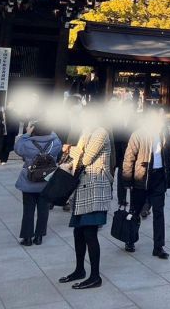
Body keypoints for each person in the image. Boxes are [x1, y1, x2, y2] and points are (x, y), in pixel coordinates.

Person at [58, 108, 113, 289]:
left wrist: (70, 148)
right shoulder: (86, 132)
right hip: (82, 188)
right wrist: (75, 149)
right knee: (78, 232)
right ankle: (79, 269)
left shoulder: (100, 132)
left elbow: (86, 158)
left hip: (95, 188)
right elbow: (79, 155)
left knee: (90, 232)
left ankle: (95, 276)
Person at [121, 107, 170, 258]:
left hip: (158, 178)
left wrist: (168, 178)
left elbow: (168, 158)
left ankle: (159, 246)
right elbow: (128, 158)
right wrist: (127, 180)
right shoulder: (138, 134)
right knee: (135, 211)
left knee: (159, 212)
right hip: (141, 178)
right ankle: (129, 240)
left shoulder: (164, 134)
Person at [14, 121, 62, 245]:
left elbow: (17, 148)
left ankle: (27, 237)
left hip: (30, 181)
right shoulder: (55, 142)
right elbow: (58, 141)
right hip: (47, 181)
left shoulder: (27, 143)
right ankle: (39, 236)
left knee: (28, 210)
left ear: (34, 129)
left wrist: (26, 134)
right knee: (43, 210)